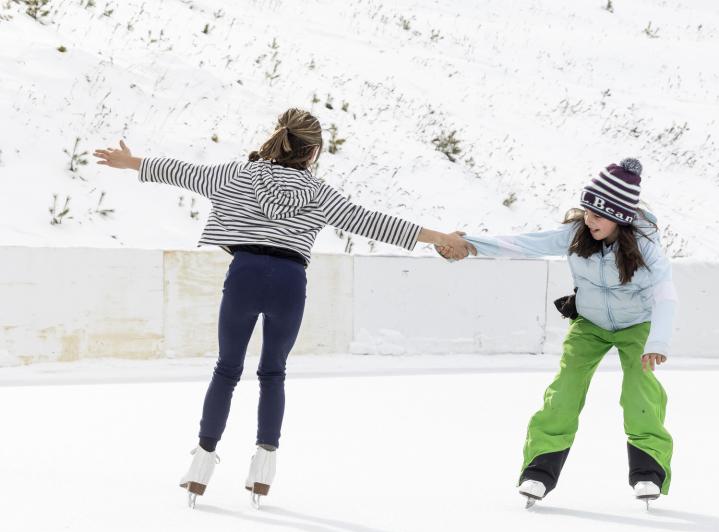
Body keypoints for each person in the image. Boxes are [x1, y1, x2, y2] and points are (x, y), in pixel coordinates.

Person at [95, 107, 475, 508]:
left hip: (244, 274)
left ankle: (201, 466)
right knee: (272, 373)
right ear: (313, 153)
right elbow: (373, 222)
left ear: (278, 138)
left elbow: (182, 171)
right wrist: (440, 237)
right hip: (291, 281)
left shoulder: (237, 175)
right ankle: (263, 469)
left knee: (227, 370)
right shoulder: (320, 193)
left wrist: (131, 162)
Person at [449, 159, 677, 507]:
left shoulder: (645, 246)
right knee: (565, 388)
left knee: (639, 389)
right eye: (588, 212)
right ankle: (539, 470)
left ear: (620, 217)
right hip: (589, 324)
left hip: (637, 326)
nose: (590, 221)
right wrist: (473, 244)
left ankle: (648, 470)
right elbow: (525, 244)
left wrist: (657, 341)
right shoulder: (577, 234)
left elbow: (665, 294)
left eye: (600, 216)